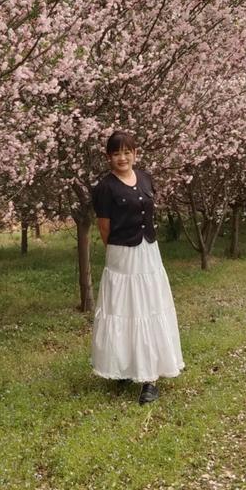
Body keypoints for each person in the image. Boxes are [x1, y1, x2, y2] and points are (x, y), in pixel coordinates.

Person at [90, 130, 184, 404]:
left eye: (127, 152)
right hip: (122, 254)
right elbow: (104, 228)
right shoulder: (105, 188)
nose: (123, 157)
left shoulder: (145, 178)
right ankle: (124, 366)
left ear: (135, 153)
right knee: (125, 310)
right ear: (109, 157)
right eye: (116, 153)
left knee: (149, 307)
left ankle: (149, 377)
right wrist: (117, 255)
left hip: (149, 252)